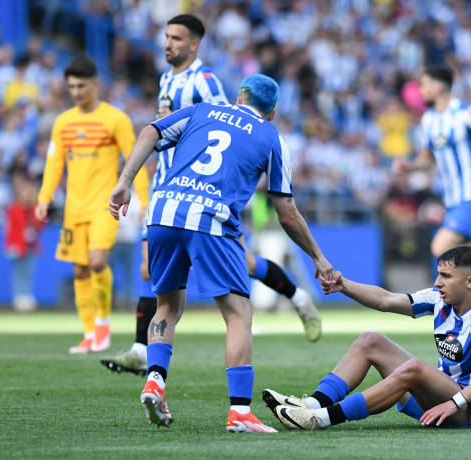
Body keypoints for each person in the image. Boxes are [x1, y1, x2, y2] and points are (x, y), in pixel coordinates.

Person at [109, 74, 334, 433]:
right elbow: (286, 212)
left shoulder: (200, 111)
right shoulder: (272, 137)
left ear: (238, 96)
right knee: (238, 315)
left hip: (163, 212)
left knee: (166, 306)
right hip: (211, 219)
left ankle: (154, 381)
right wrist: (318, 257)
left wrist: (123, 182)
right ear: (272, 112)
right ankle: (240, 412)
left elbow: (150, 132)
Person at [102, 14, 322, 377]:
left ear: (194, 44)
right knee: (151, 270)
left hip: (210, 194)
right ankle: (144, 350)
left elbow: (230, 126)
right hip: (170, 189)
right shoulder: (165, 78)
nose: (168, 43)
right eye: (166, 35)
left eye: (176, 37)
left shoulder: (206, 83)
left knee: (243, 267)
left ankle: (296, 296)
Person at [263, 246, 471, 430]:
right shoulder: (440, 299)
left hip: (469, 411)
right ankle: (313, 405)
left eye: (446, 277)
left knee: (414, 368)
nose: (438, 282)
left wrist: (455, 402)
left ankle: (321, 419)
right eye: (438, 274)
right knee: (370, 340)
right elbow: (386, 300)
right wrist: (344, 285)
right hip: (436, 400)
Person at [35, 55, 150, 354]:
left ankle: (103, 325)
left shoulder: (115, 119)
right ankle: (89, 333)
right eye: (71, 86)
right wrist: (44, 198)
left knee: (97, 261)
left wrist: (143, 200)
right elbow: (54, 164)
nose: (76, 92)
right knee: (80, 271)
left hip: (104, 206)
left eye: (81, 85)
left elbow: (134, 158)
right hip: (74, 209)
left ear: (95, 84)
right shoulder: (63, 122)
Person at [394, 66, 471, 325]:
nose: (420, 91)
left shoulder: (466, 114)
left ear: (438, 88)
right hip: (453, 202)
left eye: (424, 85)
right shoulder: (428, 120)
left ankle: (456, 306)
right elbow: (428, 157)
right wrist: (410, 166)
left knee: (440, 247)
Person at [4, 174, 44, 311]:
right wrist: (10, 245)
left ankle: (27, 295)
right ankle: (18, 296)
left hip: (31, 246)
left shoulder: (34, 208)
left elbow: (40, 224)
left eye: (29, 191)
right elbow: (9, 228)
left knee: (29, 271)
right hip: (18, 245)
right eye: (24, 191)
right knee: (18, 272)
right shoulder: (13, 208)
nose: (26, 194)